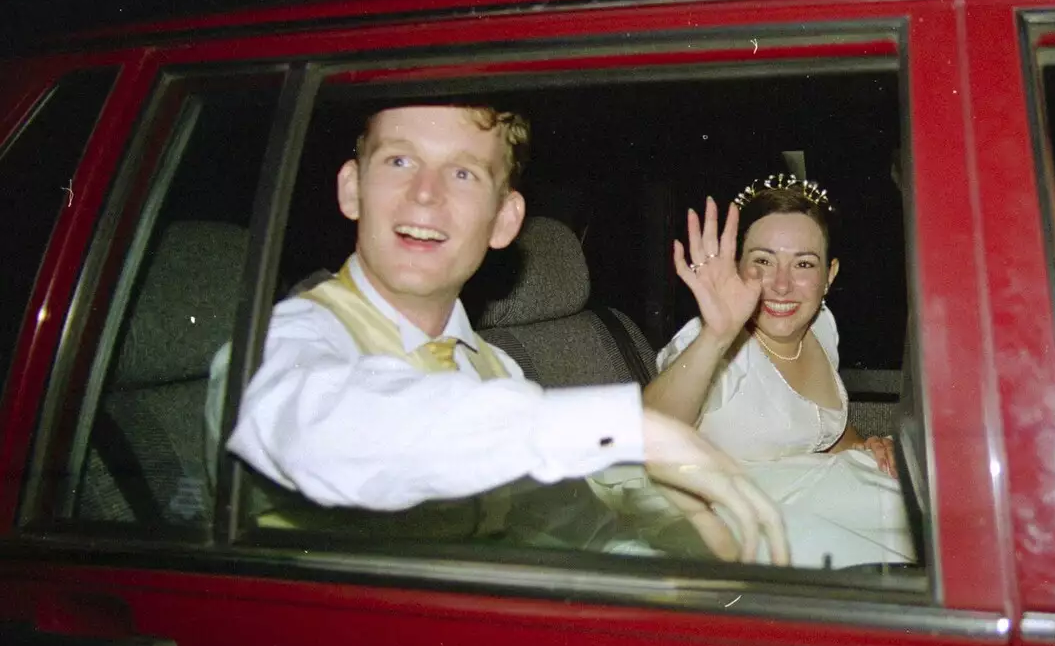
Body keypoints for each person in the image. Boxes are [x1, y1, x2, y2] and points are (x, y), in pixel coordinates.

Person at [213, 101, 787, 564]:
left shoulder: (494, 370)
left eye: (463, 173)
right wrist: (631, 429)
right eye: (399, 162)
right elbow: (334, 427)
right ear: (351, 188)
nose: (425, 194)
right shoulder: (280, 349)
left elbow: (579, 533)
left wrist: (677, 581)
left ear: (505, 220)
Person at [637, 175, 914, 568]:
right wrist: (716, 336)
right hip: (713, 513)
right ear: (736, 267)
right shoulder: (711, 342)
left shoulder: (820, 326)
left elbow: (819, 428)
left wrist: (864, 445)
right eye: (763, 262)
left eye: (803, 264)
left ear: (829, 276)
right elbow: (646, 432)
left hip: (795, 498)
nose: (782, 286)